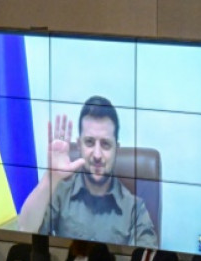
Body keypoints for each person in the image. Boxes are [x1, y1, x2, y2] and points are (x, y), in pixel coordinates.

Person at [17, 96, 157, 247]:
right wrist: (50, 178)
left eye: (105, 144)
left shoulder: (135, 209)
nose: (97, 155)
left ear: (117, 149)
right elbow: (25, 229)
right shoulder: (60, 192)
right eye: (89, 142)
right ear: (78, 145)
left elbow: (145, 260)